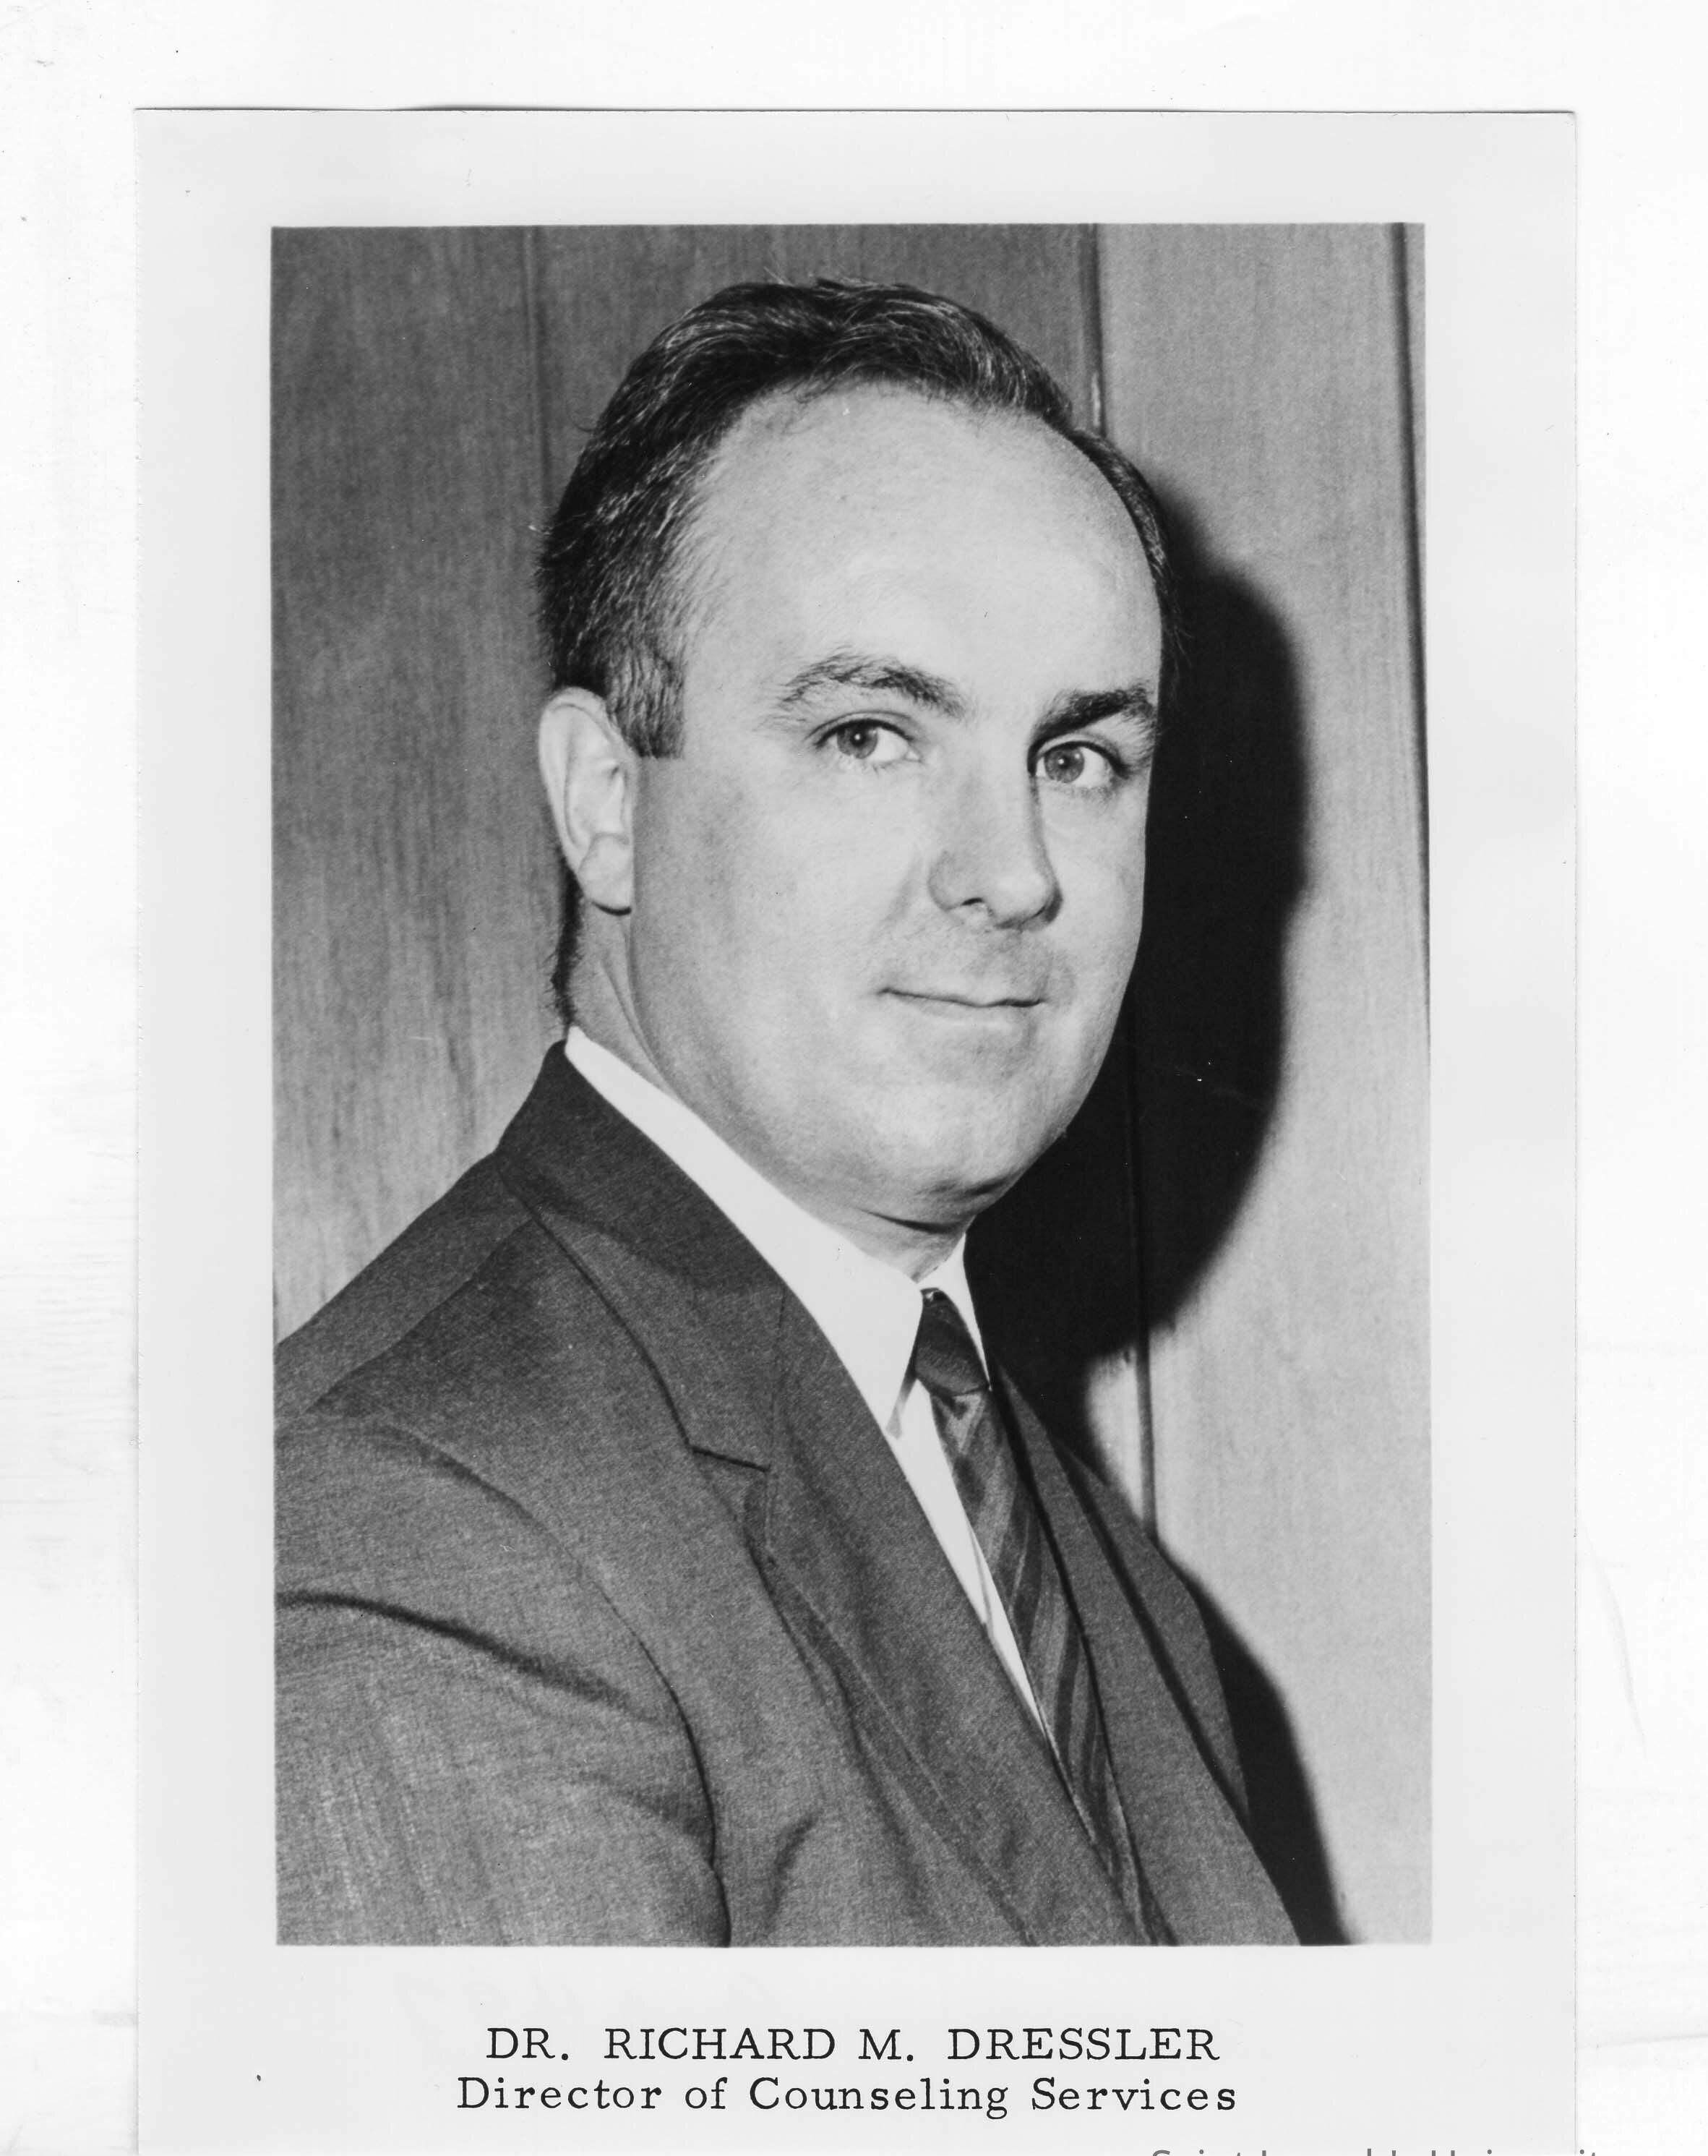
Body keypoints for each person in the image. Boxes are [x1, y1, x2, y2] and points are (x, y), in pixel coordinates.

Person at [275, 278, 1295, 1946]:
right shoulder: (409, 1526)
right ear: (608, 805)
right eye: (870, 735)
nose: (1014, 873)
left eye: (1077, 758)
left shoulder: (1037, 1502)